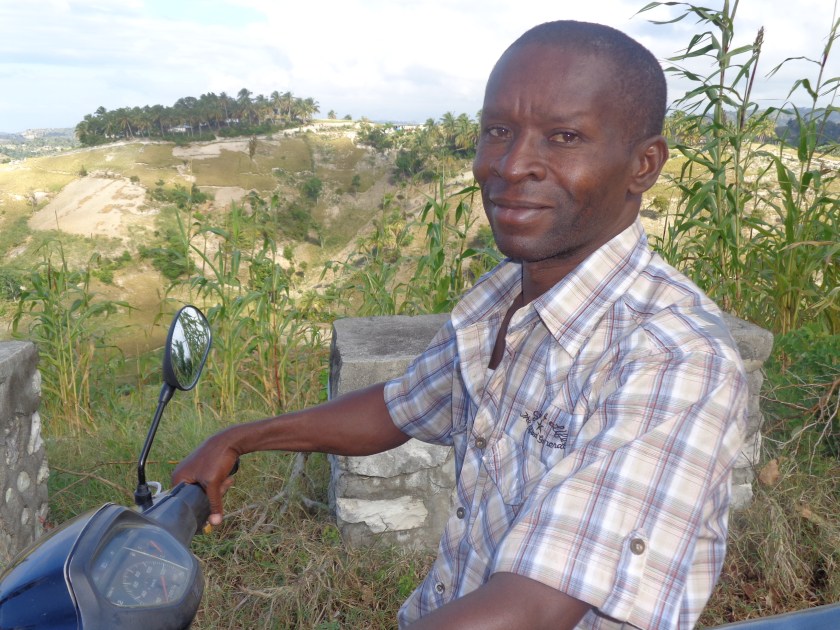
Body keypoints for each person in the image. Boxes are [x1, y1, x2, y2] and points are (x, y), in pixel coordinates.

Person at [173, 20, 748, 630]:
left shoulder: (673, 360)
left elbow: (533, 606)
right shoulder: (507, 294)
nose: (512, 164)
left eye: (564, 136)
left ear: (644, 165)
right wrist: (239, 439)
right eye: (498, 131)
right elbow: (400, 407)